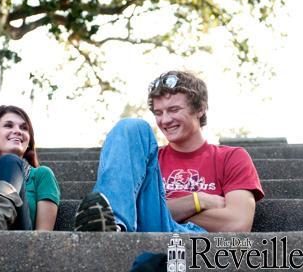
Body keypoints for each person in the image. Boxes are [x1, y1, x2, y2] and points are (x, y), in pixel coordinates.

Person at [75, 71, 264, 233]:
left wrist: (157, 212)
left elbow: (237, 223)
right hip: (143, 231)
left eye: (173, 110)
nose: (164, 120)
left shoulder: (232, 157)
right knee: (131, 127)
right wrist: (198, 201)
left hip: (192, 241)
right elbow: (133, 211)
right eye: (158, 113)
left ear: (200, 109)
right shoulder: (146, 162)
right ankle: (112, 227)